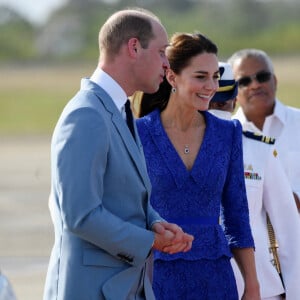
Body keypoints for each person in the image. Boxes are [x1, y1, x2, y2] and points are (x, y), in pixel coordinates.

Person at [43, 8, 194, 300]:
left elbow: (123, 194)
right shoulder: (87, 114)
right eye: (162, 52)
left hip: (123, 287)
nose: (166, 64)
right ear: (134, 47)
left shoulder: (117, 108)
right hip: (90, 290)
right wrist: (150, 241)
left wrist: (155, 222)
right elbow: (81, 215)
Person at [135, 32, 260, 300]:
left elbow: (237, 216)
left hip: (215, 277)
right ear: (172, 77)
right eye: (200, 76)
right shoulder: (138, 134)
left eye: (215, 76)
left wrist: (252, 285)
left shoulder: (228, 133)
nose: (211, 86)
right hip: (156, 275)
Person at [209, 62, 300, 300]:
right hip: (201, 283)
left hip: (259, 287)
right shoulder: (174, 145)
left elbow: (289, 230)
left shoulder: (258, 147)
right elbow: (290, 232)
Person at [228, 49, 300, 212]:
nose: (255, 85)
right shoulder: (225, 136)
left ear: (274, 80)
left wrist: (290, 201)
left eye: (262, 77)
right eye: (245, 81)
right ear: (234, 91)